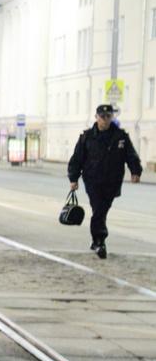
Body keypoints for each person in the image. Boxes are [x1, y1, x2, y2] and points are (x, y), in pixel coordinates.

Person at [68, 104, 141, 259]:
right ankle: (100, 240)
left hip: (112, 181)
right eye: (102, 116)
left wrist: (135, 171)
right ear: (96, 117)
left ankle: (96, 241)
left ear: (112, 118)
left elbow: (131, 155)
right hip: (92, 180)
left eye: (108, 116)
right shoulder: (87, 137)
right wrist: (73, 178)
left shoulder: (120, 136)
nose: (105, 120)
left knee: (101, 210)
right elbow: (77, 159)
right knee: (99, 208)